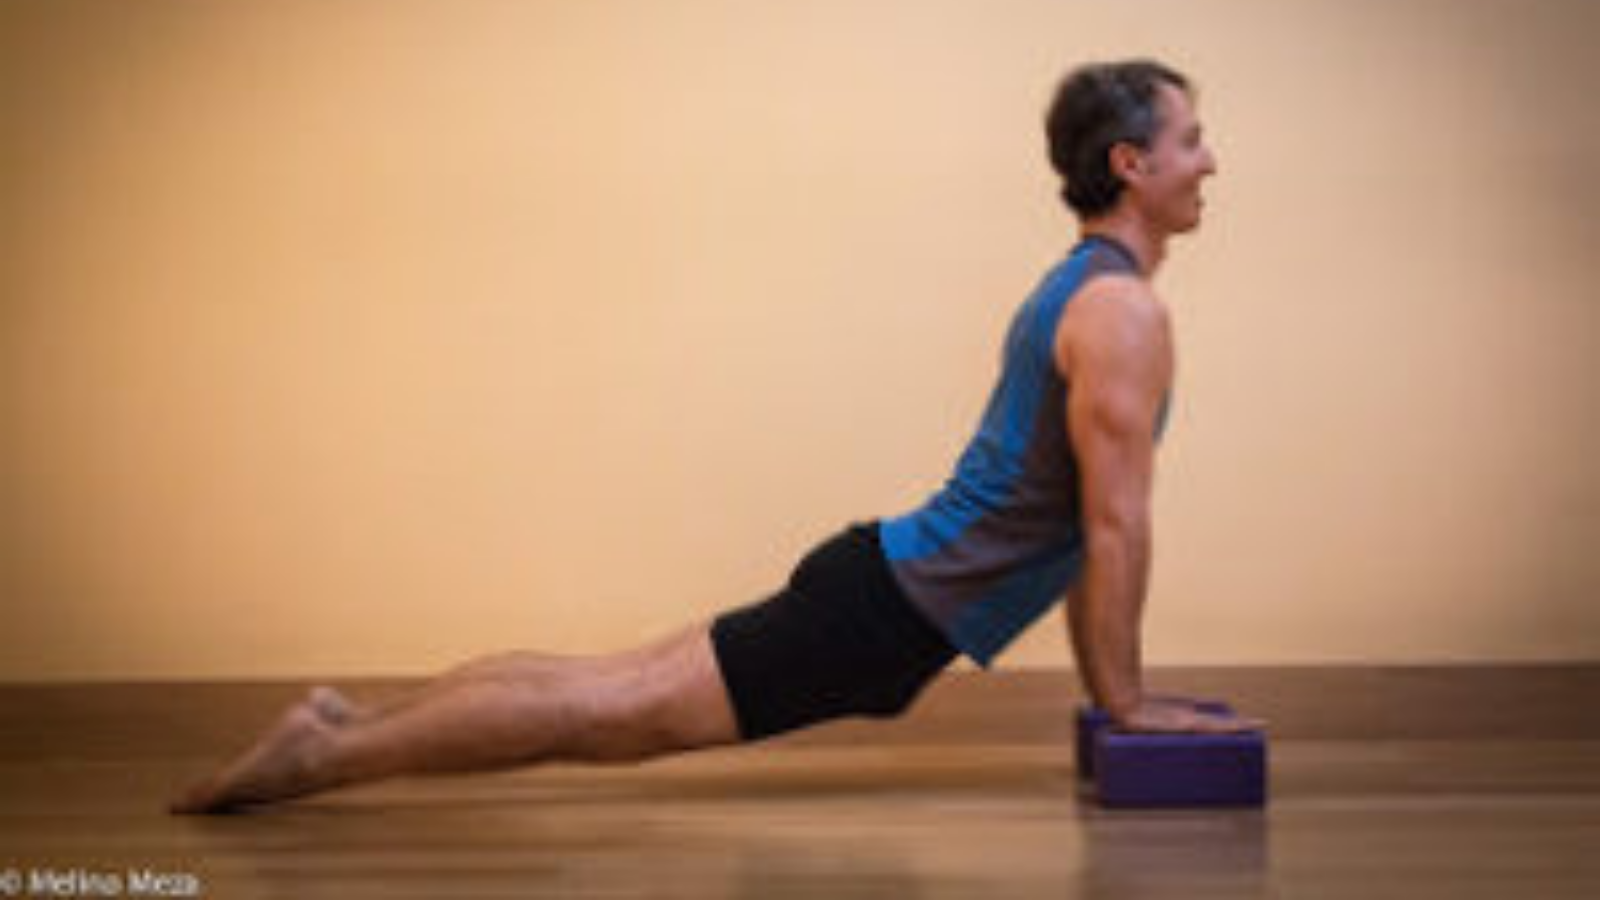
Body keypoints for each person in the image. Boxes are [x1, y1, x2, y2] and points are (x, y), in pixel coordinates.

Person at [169, 58, 1261, 815]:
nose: (1207, 162)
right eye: (1191, 139)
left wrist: (1113, 694)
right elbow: (1112, 528)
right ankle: (331, 752)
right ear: (1128, 162)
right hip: (883, 614)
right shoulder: (1120, 312)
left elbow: (1086, 528)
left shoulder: (1090, 292)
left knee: (600, 685)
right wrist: (1125, 703)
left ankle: (348, 722)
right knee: (606, 715)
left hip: (879, 587)